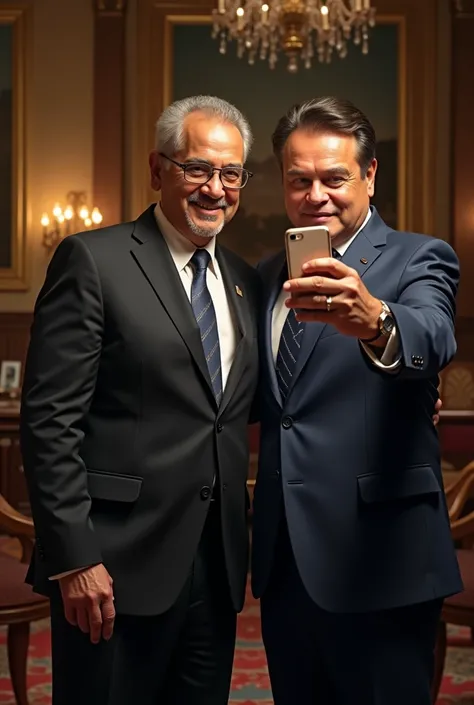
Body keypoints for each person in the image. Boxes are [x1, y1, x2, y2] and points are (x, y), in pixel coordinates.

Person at [20, 95, 260, 705]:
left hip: (216, 562)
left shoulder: (241, 279)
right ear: (158, 170)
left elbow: (241, 406)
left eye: (230, 173)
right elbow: (50, 423)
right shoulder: (93, 260)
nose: (216, 188)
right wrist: (75, 559)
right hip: (111, 568)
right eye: (197, 169)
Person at [251, 96, 462, 705]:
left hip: (382, 560)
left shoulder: (419, 256)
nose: (315, 193)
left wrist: (377, 321)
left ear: (370, 177)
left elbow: (433, 333)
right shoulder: (267, 276)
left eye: (334, 177)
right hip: (285, 562)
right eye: (299, 180)